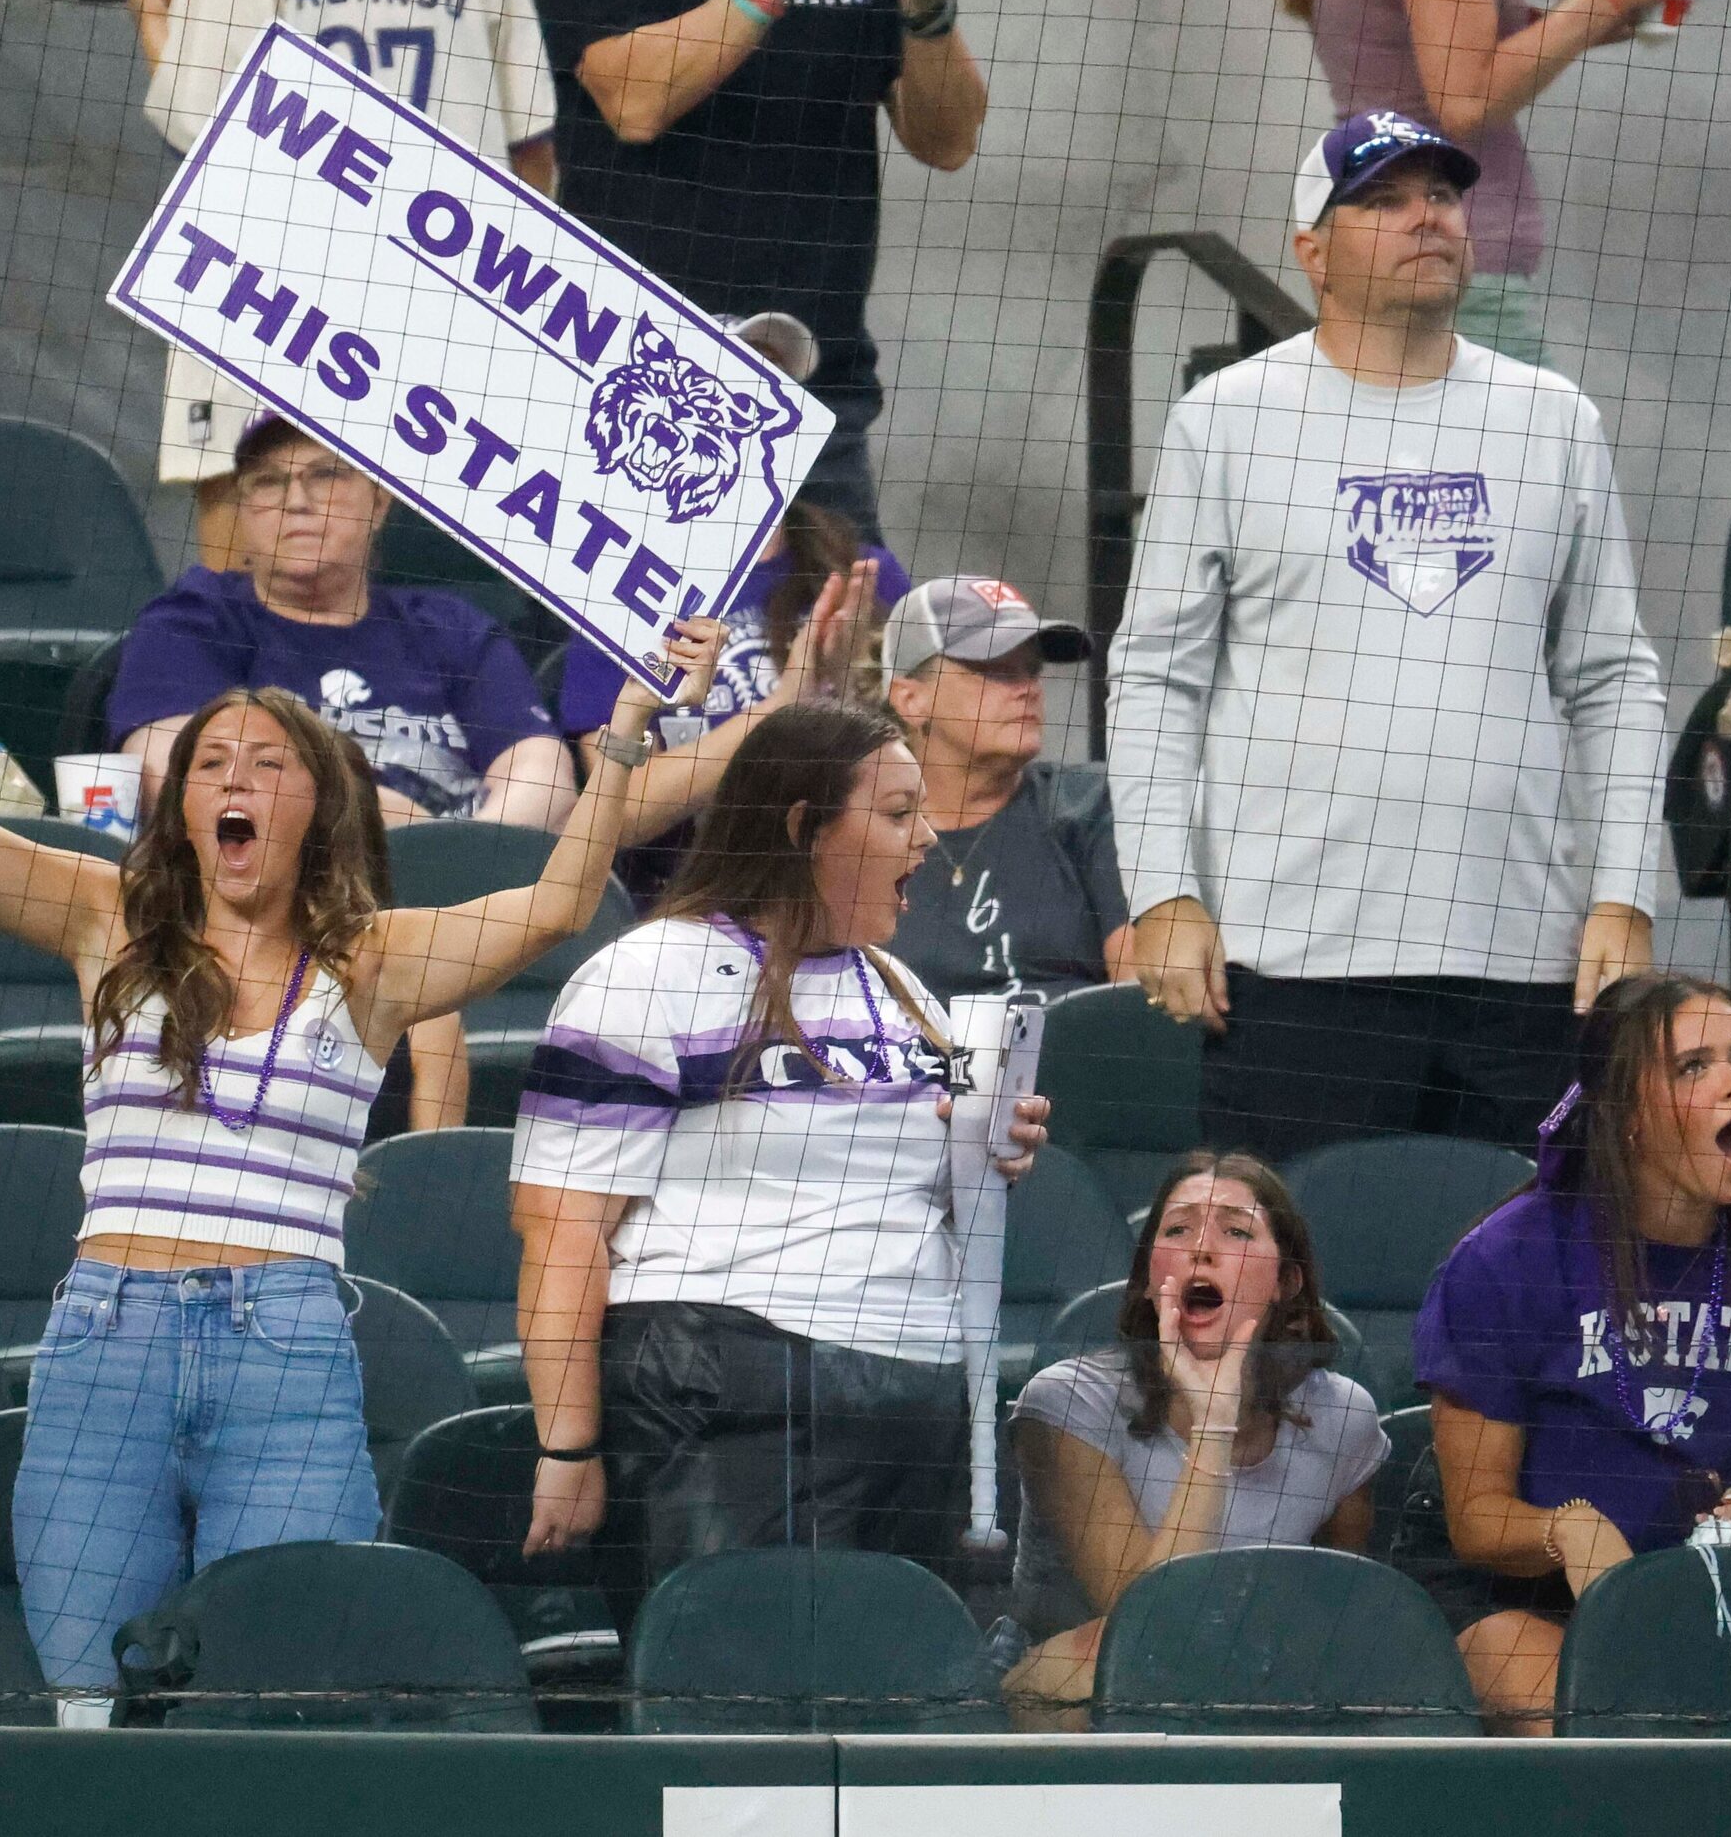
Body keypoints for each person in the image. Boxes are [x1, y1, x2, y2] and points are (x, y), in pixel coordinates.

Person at [0, 491, 719, 1699]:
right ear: (186, 809)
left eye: (268, 764)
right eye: (211, 764)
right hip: (103, 1347)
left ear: (315, 808)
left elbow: (554, 904)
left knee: (273, 1693)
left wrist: (627, 737)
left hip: (284, 1355)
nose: (234, 778)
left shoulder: (374, 962)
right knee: (87, 1699)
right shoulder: (106, 919)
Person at [1108, 109, 1669, 1164]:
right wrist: (1164, 894)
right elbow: (1152, 678)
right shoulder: (1225, 419)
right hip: (1291, 963)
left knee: (1524, 1304)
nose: (1427, 219)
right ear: (1310, 249)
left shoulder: (1554, 420)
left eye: (1443, 196)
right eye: (1382, 200)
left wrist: (1625, 893)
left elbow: (1613, 678)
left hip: (1524, 963)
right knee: (1291, 1308)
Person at [509, 700, 1051, 1621]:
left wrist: (992, 1146)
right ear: (804, 826)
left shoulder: (903, 988)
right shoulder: (649, 973)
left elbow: (938, 1199)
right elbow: (561, 1235)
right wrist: (569, 1450)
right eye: (895, 814)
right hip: (733, 1391)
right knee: (744, 1713)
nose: (928, 840)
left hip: (915, 1398)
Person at [1412, 972, 1731, 1734]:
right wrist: (1567, 1529)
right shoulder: (1507, 1260)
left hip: (1707, 1590)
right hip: (1516, 1593)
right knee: (1608, 1728)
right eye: (1693, 1066)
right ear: (1628, 1116)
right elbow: (1475, 1518)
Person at [114, 0, 558, 571]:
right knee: (437, 619)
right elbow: (531, 156)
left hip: (264, 304)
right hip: (439, 313)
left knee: (247, 618)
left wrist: (155, 27)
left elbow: (206, 130)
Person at [532, 0, 991, 540]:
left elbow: (946, 141)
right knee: (620, 634)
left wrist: (925, 13)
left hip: (808, 398)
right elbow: (634, 101)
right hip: (626, 392)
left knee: (837, 628)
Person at [1003, 1151, 1388, 1723]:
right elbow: (1148, 1630)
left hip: (1257, 1677)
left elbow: (1332, 1615)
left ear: (1286, 1280)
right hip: (1091, 1699)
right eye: (1178, 1229)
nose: (1201, 1247)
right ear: (1150, 1277)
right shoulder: (1066, 1402)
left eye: (1236, 1230)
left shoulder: (1342, 1418)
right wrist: (1213, 1421)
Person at [556, 316, 909, 904]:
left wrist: (861, 695)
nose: (757, 409)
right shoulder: (616, 580)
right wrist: (783, 710)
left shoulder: (859, 572)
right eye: (732, 386)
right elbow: (623, 812)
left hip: (846, 893)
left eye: (775, 392)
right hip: (690, 904)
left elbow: (937, 776)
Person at [110, 415, 574, 833]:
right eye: (267, 482)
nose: (296, 500)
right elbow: (175, 774)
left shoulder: (451, 628)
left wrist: (462, 854)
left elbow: (542, 776)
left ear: (379, 501)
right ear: (245, 512)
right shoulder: (192, 621)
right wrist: (356, 813)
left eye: (326, 473)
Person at [1276, 0, 1690, 362]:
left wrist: (1602, 3)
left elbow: (1439, 41)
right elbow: (1466, 99)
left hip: (1381, 240)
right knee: (1534, 429)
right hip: (1444, 250)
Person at [879, 573, 1132, 1002]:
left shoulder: (1090, 805)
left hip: (1069, 1063)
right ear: (910, 700)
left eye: (1031, 670)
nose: (1028, 689)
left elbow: (1138, 1005)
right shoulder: (858, 835)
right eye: (994, 670)